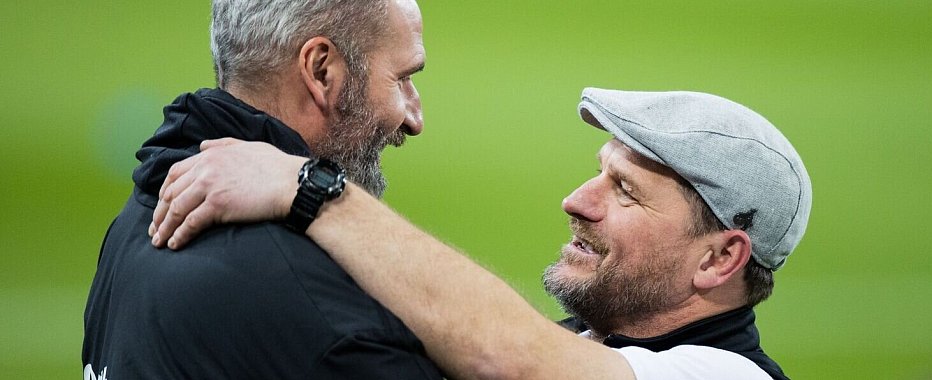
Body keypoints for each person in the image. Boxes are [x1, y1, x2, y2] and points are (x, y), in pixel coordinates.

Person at [150, 88, 812, 379]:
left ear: (721, 257)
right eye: (597, 173)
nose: (576, 201)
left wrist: (312, 190)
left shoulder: (724, 376)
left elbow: (509, 359)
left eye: (625, 190)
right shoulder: (589, 345)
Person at [82, 0, 443, 379]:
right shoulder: (312, 305)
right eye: (400, 78)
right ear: (321, 70)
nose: (414, 118)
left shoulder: (134, 223)